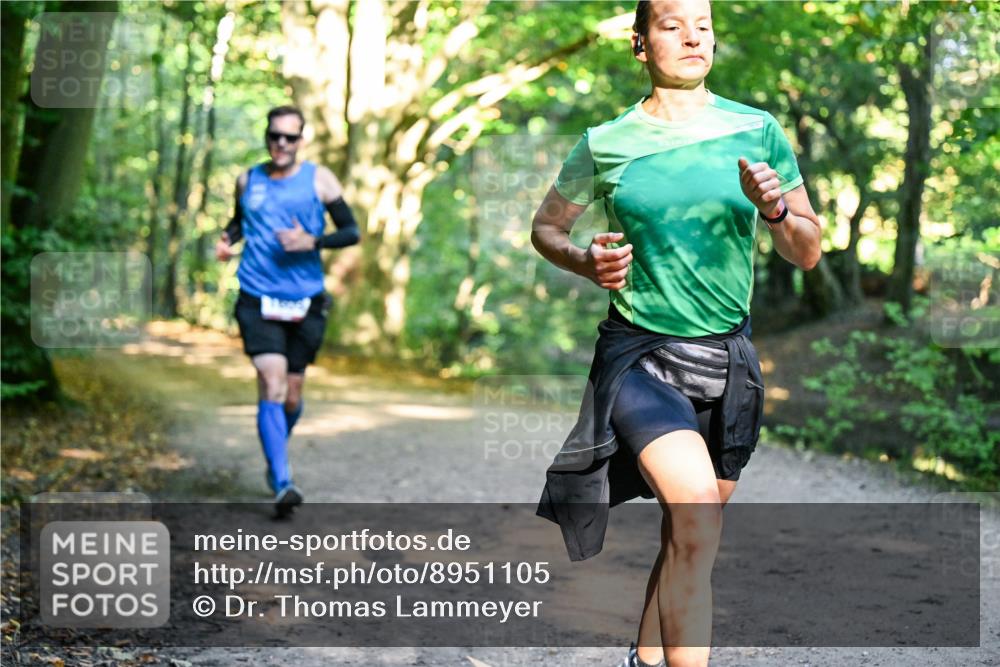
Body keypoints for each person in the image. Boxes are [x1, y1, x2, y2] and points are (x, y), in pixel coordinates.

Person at [531, 1, 821, 665]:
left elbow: (806, 251)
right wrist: (586, 260)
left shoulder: (757, 129)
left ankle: (643, 657)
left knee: (685, 535)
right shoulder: (606, 141)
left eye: (704, 24)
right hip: (641, 358)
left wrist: (774, 207)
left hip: (729, 361)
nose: (693, 35)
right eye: (671, 24)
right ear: (639, 44)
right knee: (696, 517)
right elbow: (546, 228)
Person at [216, 105, 360, 516]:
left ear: (301, 140)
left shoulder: (319, 180)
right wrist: (226, 240)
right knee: (271, 382)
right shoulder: (248, 179)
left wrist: (312, 241)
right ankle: (283, 482)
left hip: (305, 301)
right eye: (275, 135)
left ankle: (275, 450)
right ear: (266, 136)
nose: (281, 143)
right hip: (257, 297)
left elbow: (351, 232)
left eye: (290, 137)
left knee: (292, 396)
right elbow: (240, 222)